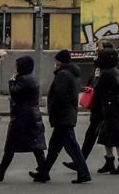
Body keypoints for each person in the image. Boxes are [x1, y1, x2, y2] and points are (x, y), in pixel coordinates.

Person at [32, 50, 91, 184]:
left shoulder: (63, 75)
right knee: (54, 148)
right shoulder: (71, 73)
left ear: (61, 61)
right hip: (67, 114)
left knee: (72, 147)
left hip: (63, 116)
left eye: (56, 61)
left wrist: (53, 109)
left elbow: (60, 95)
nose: (55, 63)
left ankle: (84, 173)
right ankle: (43, 173)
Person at [0, 56, 46, 182]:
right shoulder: (30, 77)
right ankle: (43, 171)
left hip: (23, 117)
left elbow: (14, 92)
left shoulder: (24, 79)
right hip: (30, 116)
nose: (15, 68)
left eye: (17, 65)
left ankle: (0, 172)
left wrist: (12, 80)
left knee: (12, 146)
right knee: (36, 146)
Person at [94, 49, 119, 175]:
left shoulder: (106, 73)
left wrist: (97, 76)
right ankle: (115, 161)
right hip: (115, 108)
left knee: (113, 136)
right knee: (111, 135)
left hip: (111, 109)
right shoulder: (114, 71)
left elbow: (97, 89)